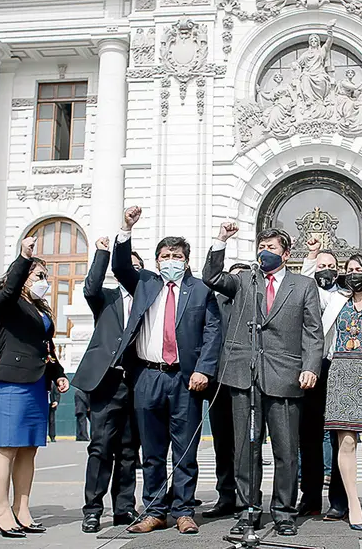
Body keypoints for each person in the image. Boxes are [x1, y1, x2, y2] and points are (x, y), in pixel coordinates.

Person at [202, 223, 324, 537]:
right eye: (261, 246)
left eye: (271, 247)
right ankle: (247, 510)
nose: (264, 252)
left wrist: (310, 367)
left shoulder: (303, 285)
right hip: (245, 376)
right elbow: (212, 277)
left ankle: (284, 511)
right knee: (245, 449)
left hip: (286, 377)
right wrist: (220, 240)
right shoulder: (245, 280)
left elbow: (313, 332)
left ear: (286, 253)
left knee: (286, 451)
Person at [111, 206, 222, 535]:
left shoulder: (201, 290)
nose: (169, 260)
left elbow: (212, 332)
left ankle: (184, 509)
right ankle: (154, 510)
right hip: (148, 376)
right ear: (156, 260)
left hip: (186, 379)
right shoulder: (144, 283)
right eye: (163, 255)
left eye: (175, 255)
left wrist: (204, 369)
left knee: (185, 449)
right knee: (153, 450)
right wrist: (125, 228)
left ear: (185, 260)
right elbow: (119, 266)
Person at [0, 236, 69, 538]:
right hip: (11, 385)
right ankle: (2, 510)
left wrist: (57, 372)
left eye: (46, 276)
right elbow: (7, 291)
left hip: (36, 385)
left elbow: (45, 346)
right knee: (6, 449)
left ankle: (22, 509)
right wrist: (23, 258)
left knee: (29, 451)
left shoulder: (40, 309)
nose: (44, 281)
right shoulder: (6, 304)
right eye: (38, 276)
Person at [309, 247, 362, 531]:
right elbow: (310, 290)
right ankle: (353, 504)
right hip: (341, 372)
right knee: (345, 442)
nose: (354, 275)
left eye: (359, 270)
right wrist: (312, 260)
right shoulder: (336, 299)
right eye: (350, 270)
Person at [72, 236, 140, 534]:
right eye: (129, 266)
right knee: (100, 448)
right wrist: (102, 253)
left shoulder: (148, 302)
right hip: (106, 384)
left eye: (138, 268)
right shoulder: (106, 298)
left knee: (128, 450)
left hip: (137, 383)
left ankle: (124, 508)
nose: (132, 271)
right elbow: (90, 287)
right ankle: (93, 509)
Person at [298, 243, 348, 520]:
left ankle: (339, 499)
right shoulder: (307, 291)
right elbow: (304, 279)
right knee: (309, 437)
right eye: (321, 266)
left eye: (331, 266)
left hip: (338, 368)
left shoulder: (346, 296)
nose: (326, 270)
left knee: (339, 437)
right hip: (311, 369)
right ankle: (310, 497)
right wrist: (310, 256)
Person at [202, 262, 251, 519]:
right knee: (223, 443)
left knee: (247, 443)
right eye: (234, 276)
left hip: (249, 384)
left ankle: (248, 499)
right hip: (219, 383)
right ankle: (226, 495)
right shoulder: (215, 303)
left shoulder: (255, 303)